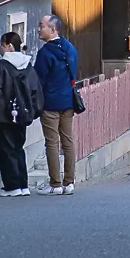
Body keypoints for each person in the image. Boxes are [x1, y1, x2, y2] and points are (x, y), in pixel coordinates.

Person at [0, 32, 43, 197]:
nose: (0, 48)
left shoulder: (1, 66)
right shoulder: (28, 65)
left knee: (5, 149)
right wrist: (33, 110)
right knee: (18, 147)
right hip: (22, 114)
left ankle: (12, 186)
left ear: (10, 46)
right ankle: (23, 184)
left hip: (4, 115)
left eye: (2, 45)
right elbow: (36, 90)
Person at [33, 15, 79, 196]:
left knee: (52, 143)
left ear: (53, 30)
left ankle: (55, 183)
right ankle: (69, 183)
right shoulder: (70, 49)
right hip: (68, 101)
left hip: (50, 103)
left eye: (41, 26)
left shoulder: (45, 53)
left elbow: (38, 80)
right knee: (68, 141)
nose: (38, 29)